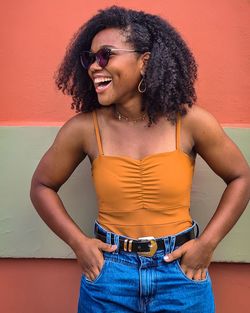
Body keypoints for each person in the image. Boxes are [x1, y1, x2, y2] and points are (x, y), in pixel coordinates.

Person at [30, 6, 250, 313]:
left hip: (181, 273)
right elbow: (42, 185)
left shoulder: (191, 122)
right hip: (109, 277)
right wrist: (79, 243)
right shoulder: (84, 129)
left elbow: (241, 176)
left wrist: (207, 244)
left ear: (144, 62)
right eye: (90, 58)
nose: (95, 66)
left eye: (106, 55)